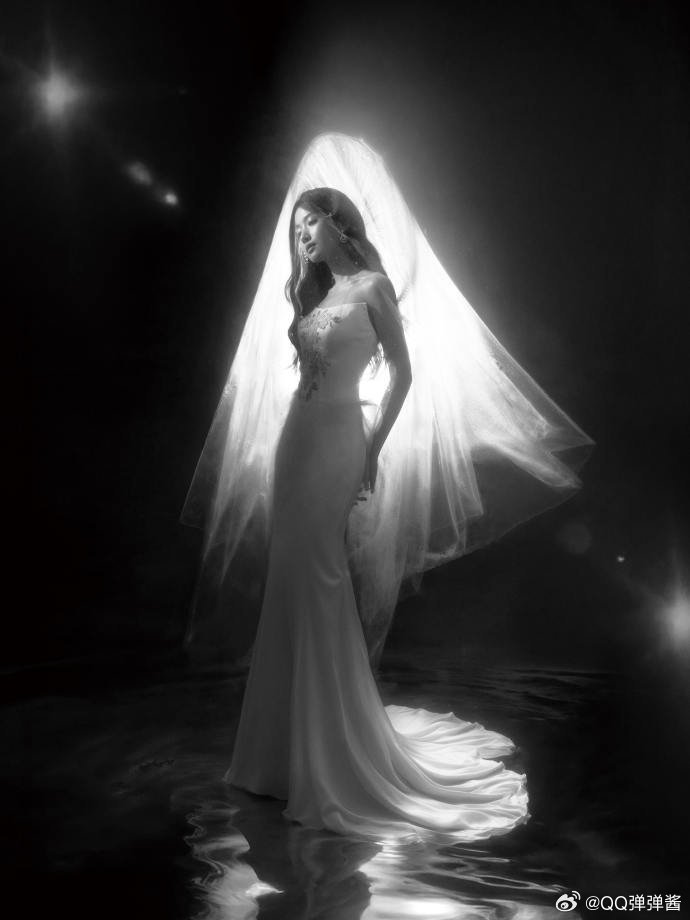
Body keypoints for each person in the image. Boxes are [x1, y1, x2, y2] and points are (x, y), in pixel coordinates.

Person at [181, 134, 593, 842]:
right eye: (297, 229)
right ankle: (278, 757)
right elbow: (306, 375)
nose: (302, 237)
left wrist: (372, 448)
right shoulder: (316, 292)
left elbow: (402, 373)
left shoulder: (372, 289)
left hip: (342, 439)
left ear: (339, 223)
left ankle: (333, 755)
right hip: (296, 441)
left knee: (321, 576)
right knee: (291, 578)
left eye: (311, 224)